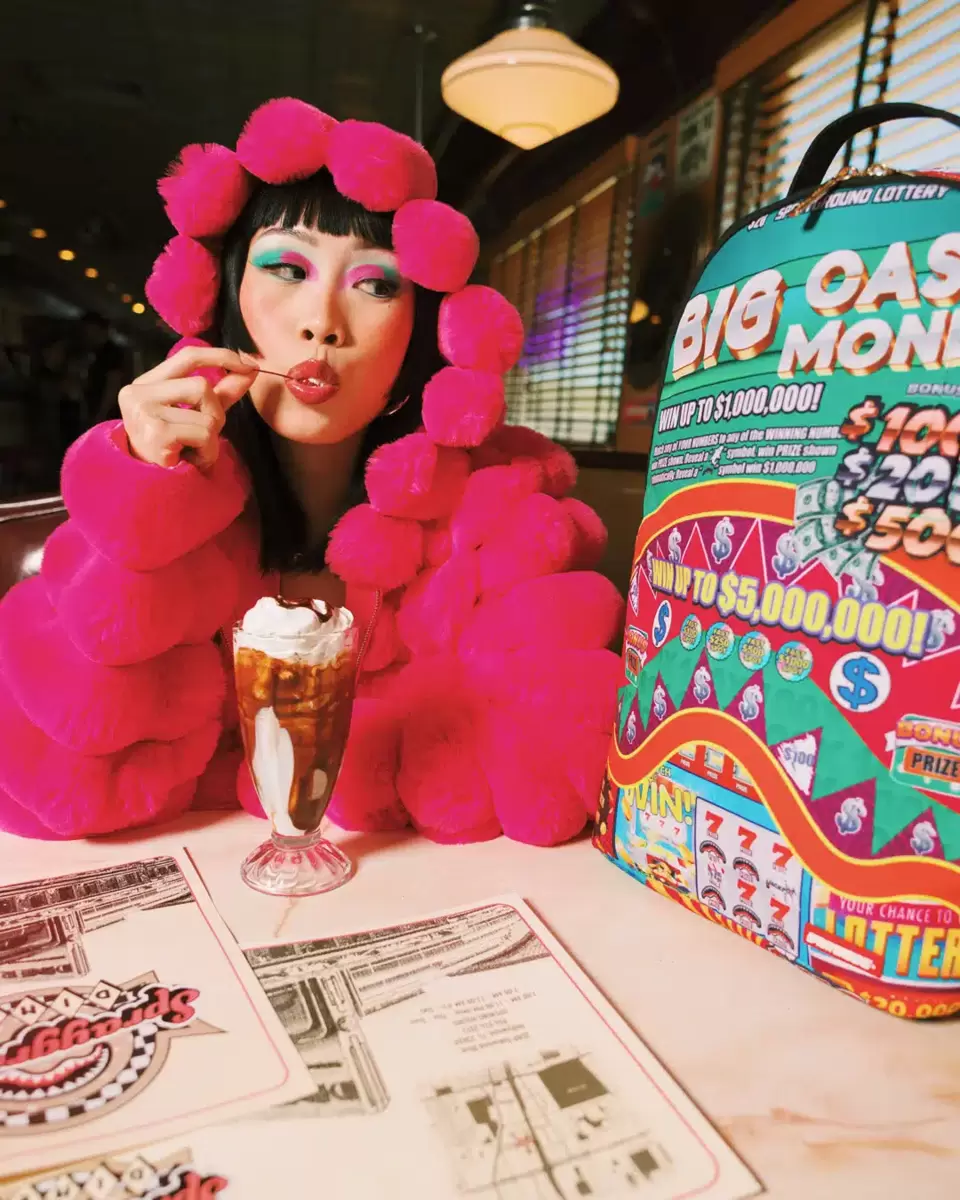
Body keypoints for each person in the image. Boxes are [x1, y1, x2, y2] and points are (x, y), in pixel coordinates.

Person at [0, 98, 624, 845]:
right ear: (227, 300)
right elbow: (58, 787)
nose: (322, 320)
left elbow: (550, 772)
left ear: (420, 333)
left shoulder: (492, 511)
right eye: (286, 268)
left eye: (377, 284)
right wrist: (141, 513)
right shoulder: (165, 498)